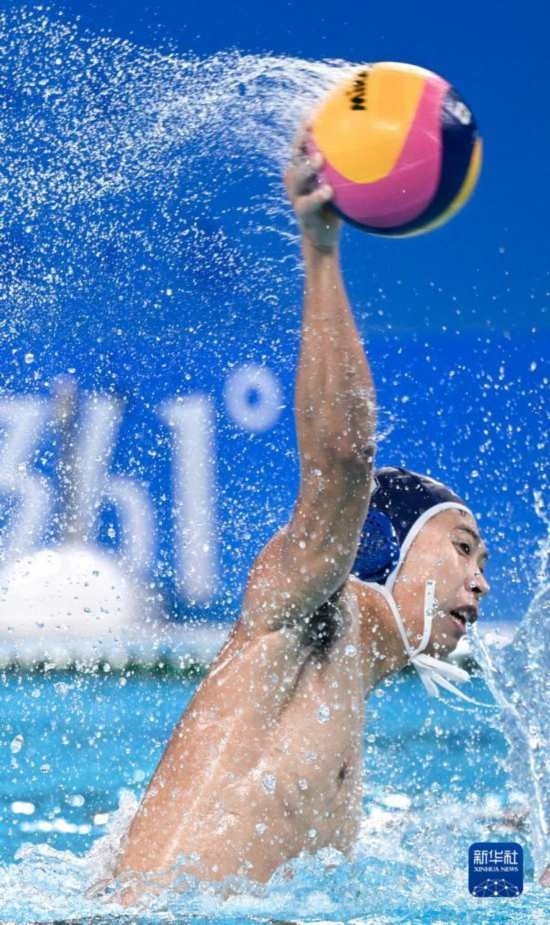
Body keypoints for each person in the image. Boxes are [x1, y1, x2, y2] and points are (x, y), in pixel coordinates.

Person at [112, 125, 490, 895]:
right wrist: (321, 248)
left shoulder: (343, 700)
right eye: (461, 546)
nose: (481, 581)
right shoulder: (309, 613)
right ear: (381, 542)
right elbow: (345, 456)